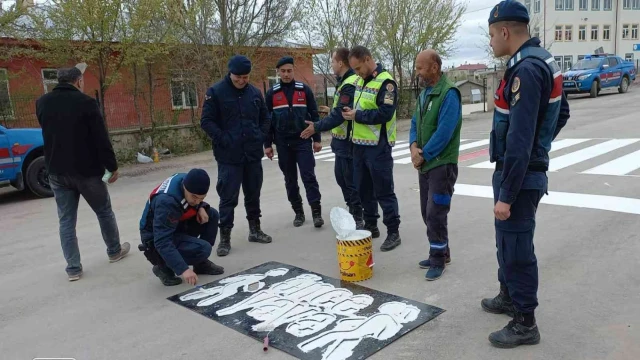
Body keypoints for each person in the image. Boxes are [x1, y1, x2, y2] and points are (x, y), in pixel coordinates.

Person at [481, 0, 570, 348]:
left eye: (491, 35)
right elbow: (560, 114)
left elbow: (519, 140)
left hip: (517, 175)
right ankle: (508, 295)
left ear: (505, 31)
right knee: (507, 240)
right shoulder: (539, 61)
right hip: (519, 170)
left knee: (516, 247)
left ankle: (525, 322)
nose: (491, 42)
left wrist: (507, 193)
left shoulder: (527, 70)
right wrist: (541, 142)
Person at [35, 65, 130, 282]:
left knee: (66, 221)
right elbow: (100, 138)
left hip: (56, 171)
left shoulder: (42, 103)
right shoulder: (87, 103)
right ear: (78, 81)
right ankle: (114, 251)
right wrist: (112, 166)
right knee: (104, 211)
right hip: (87, 172)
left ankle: (73, 268)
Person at [200, 55, 272, 257]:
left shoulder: (255, 93)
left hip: (252, 155)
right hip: (228, 157)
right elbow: (206, 121)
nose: (242, 80)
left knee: (253, 194)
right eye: (238, 77)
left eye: (246, 77)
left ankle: (255, 230)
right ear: (230, 73)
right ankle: (224, 239)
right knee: (228, 197)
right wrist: (223, 138)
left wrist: (259, 135)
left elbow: (265, 118)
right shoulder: (216, 92)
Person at [410, 50, 463, 281]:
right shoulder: (424, 95)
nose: (417, 72)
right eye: (416, 68)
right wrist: (413, 147)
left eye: (421, 68)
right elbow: (414, 123)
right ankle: (442, 250)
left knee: (436, 212)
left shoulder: (449, 94)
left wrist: (424, 154)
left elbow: (445, 131)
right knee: (426, 211)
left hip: (442, 164)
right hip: (426, 164)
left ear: (435, 67)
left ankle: (438, 259)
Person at [300, 47, 367, 229]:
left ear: (340, 63)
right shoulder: (343, 82)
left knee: (350, 181)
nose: (331, 65)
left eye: (332, 61)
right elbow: (340, 111)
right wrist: (331, 112)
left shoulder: (350, 83)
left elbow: (340, 114)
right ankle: (355, 212)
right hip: (341, 141)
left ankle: (358, 217)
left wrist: (316, 127)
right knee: (342, 178)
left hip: (348, 142)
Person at [342, 46, 401, 251]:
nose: (356, 73)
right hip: (359, 145)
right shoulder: (359, 81)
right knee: (363, 188)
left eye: (358, 68)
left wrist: (357, 115)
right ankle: (371, 225)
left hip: (379, 147)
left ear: (368, 60)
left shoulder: (387, 83)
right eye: (354, 69)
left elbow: (385, 113)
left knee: (384, 191)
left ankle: (393, 232)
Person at [264, 56, 324, 228]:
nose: (286, 74)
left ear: (293, 71)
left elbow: (314, 115)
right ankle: (298, 212)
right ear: (278, 72)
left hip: (303, 140)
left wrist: (317, 140)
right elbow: (267, 122)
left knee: (309, 176)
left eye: (289, 71)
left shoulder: (303, 90)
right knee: (290, 180)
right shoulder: (272, 94)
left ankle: (316, 212)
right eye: (283, 71)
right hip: (283, 144)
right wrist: (267, 145)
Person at [138, 169, 224, 286]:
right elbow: (162, 241)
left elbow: (193, 200)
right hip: (154, 238)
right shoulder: (167, 202)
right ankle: (163, 267)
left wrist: (201, 206)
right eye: (194, 197)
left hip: (175, 223)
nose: (197, 201)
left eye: (201, 198)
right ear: (185, 187)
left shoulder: (186, 179)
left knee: (212, 215)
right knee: (203, 249)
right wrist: (183, 269)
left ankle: (200, 263)